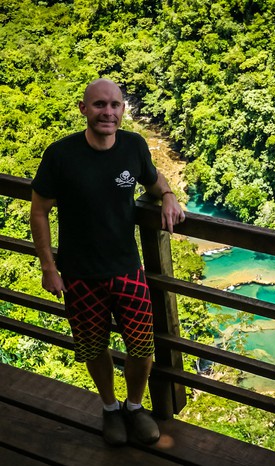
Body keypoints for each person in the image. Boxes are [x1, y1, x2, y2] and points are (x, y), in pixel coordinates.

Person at [30, 78, 185, 446]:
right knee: (93, 348)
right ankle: (110, 407)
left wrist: (167, 194)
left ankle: (134, 406)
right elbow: (39, 212)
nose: (108, 112)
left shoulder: (133, 145)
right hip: (80, 274)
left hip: (128, 269)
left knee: (142, 347)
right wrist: (49, 267)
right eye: (100, 105)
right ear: (84, 109)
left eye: (115, 105)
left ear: (123, 110)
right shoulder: (61, 155)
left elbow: (152, 177)